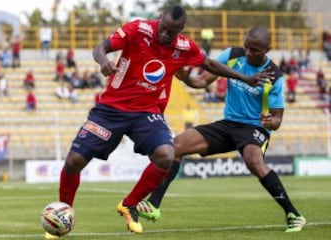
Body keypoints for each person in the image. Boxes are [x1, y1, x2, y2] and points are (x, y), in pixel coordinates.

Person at [47, 6, 269, 239]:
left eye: (171, 32)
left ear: (180, 30)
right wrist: (103, 61)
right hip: (111, 109)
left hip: (147, 113)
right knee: (74, 161)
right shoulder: (138, 29)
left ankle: (129, 204)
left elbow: (210, 65)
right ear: (159, 18)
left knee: (166, 154)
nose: (165, 34)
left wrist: (245, 77)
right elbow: (101, 47)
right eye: (163, 28)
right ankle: (63, 214)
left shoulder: (184, 47)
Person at [136, 26, 306, 233]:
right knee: (175, 146)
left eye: (255, 50)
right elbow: (201, 81)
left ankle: (293, 215)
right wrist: (186, 78)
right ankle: (154, 205)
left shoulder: (275, 77)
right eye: (247, 47)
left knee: (254, 161)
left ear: (267, 50)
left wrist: (271, 122)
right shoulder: (232, 55)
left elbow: (277, 118)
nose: (249, 52)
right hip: (228, 124)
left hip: (254, 127)